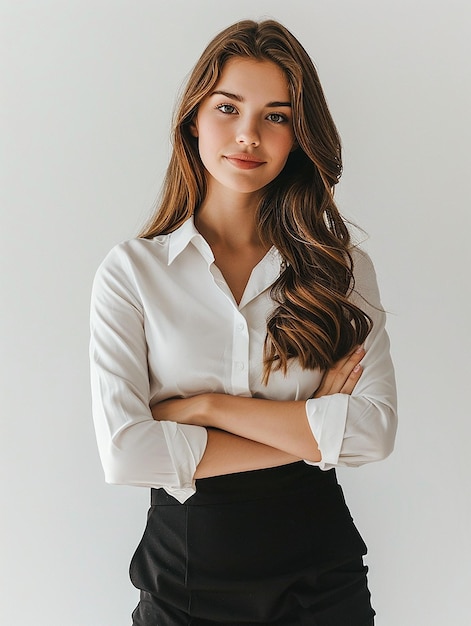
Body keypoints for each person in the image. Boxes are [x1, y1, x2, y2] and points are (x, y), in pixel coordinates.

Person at [90, 19, 397, 626]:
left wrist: (203, 407)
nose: (248, 135)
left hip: (321, 583)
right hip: (182, 582)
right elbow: (126, 454)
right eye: (228, 107)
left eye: (277, 116)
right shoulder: (132, 272)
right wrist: (308, 436)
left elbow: (372, 433)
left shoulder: (341, 271)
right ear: (194, 118)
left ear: (299, 135)